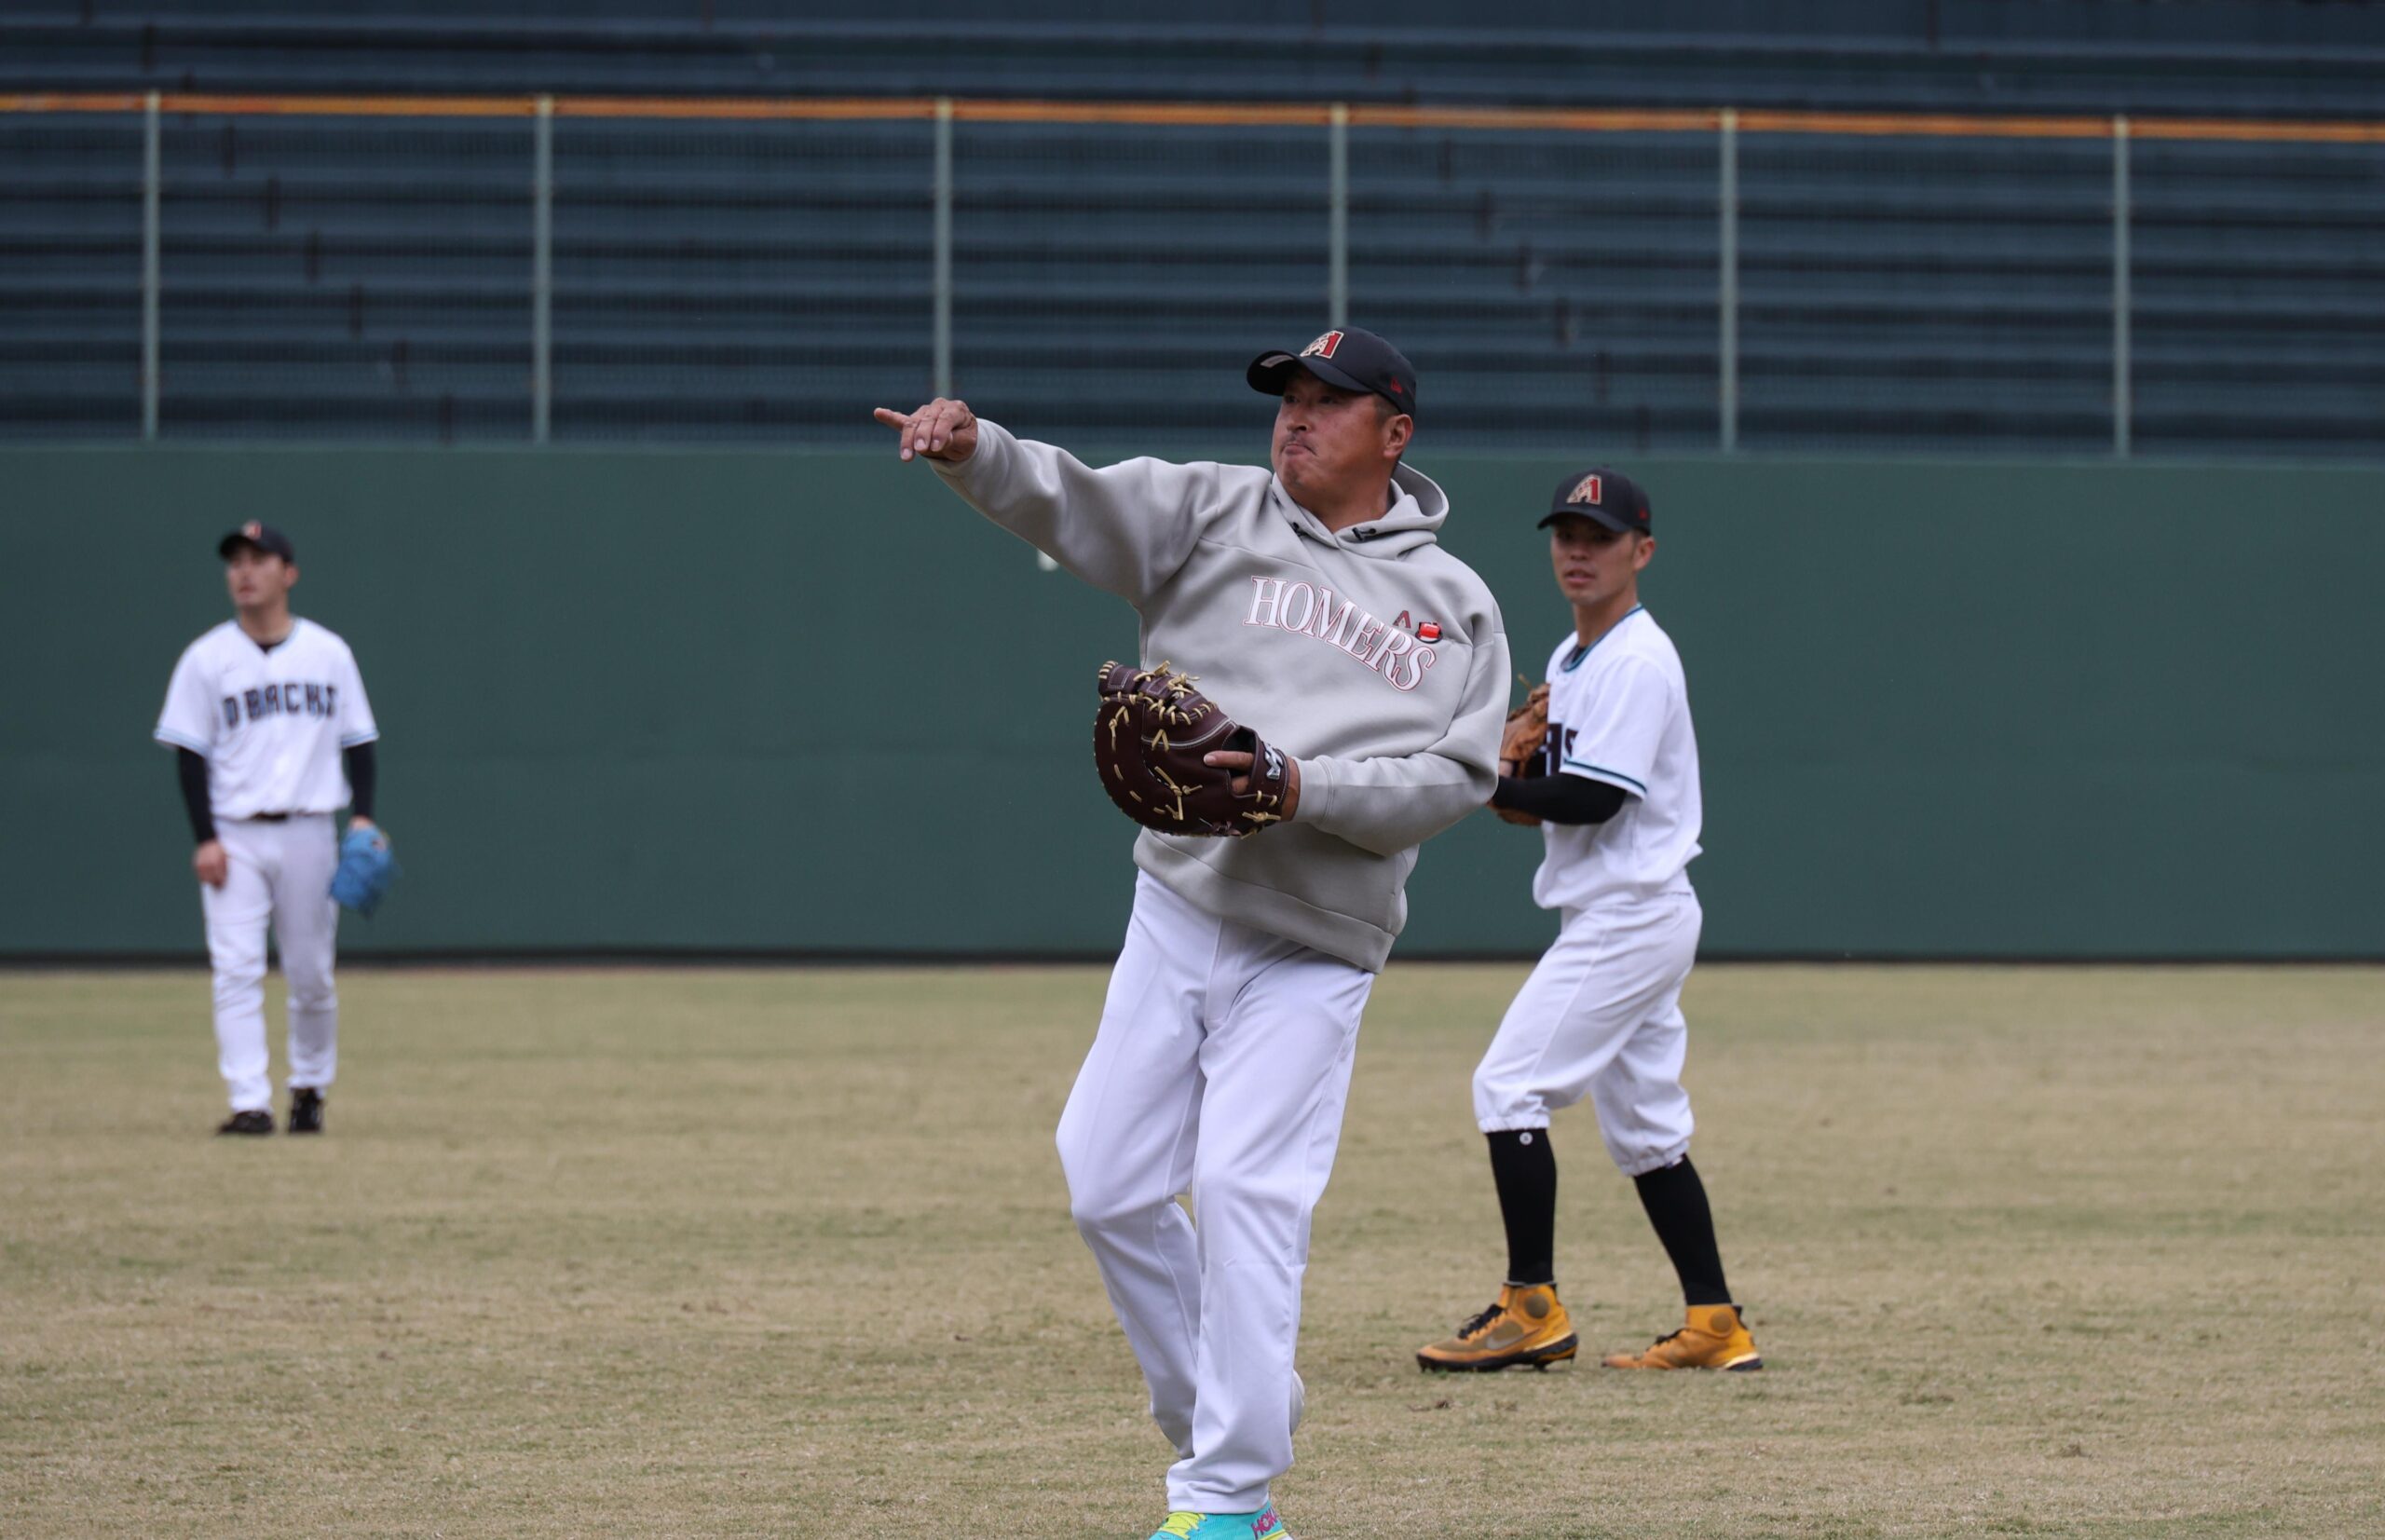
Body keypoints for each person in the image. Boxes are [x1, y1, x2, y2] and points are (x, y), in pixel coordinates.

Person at [876, 328, 1508, 1540]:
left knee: (1243, 1189)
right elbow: (1072, 502)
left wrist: (1296, 785)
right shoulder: (1212, 511)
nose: (1296, 417)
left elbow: (1452, 780)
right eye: (1289, 396)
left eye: (1328, 402)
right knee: (1106, 1182)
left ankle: (1227, 1497)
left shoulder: (1453, 604)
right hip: (1176, 905)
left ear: (1395, 434)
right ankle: (1234, 1413)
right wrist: (973, 450)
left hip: (1315, 942)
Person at [1415, 469, 1761, 1375]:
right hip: (1620, 911)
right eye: (1566, 533)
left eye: (1600, 537)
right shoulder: (1574, 658)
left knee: (1507, 1087)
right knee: (1648, 1132)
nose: (1578, 551)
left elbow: (1598, 799)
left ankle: (1531, 1307)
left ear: (1641, 551)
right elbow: (1559, 793)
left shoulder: (1637, 661)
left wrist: (1484, 780)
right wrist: (1520, 782)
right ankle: (1715, 1323)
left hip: (1630, 913)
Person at [154, 522, 381, 1137]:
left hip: (310, 831)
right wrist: (205, 837)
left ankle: (309, 1088)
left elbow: (360, 741)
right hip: (235, 835)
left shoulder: (328, 653)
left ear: (290, 573)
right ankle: (249, 1102)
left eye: (259, 560)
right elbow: (190, 755)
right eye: (236, 562)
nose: (244, 572)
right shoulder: (206, 658)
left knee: (311, 975)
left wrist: (362, 815)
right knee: (236, 971)